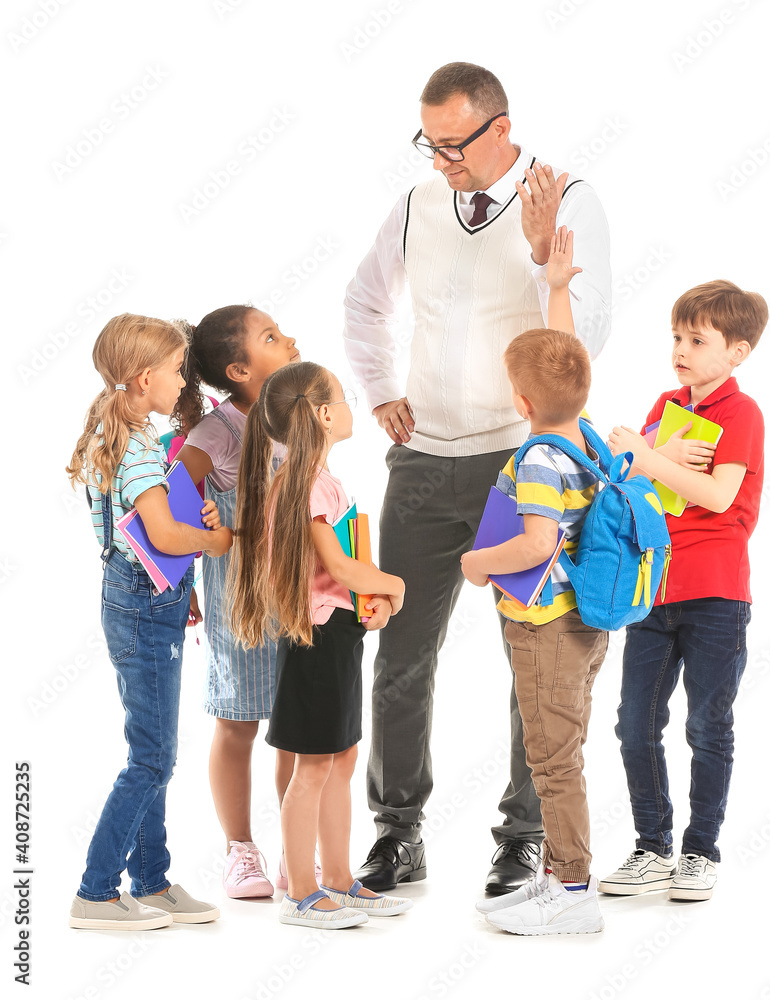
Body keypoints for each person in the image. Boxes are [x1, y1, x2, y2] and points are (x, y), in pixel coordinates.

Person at [344, 61, 611, 895]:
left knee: (532, 661)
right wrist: (382, 390)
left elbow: (583, 346)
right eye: (430, 141)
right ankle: (396, 832)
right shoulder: (417, 204)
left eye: (454, 144)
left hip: (518, 467)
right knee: (399, 655)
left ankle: (522, 835)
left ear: (500, 127)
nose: (439, 160)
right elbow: (364, 303)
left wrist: (542, 262)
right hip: (423, 464)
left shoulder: (566, 201)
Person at [600, 280, 767, 901]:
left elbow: (719, 494)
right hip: (653, 588)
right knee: (633, 722)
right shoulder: (667, 403)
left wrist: (648, 456)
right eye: (677, 336)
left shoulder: (741, 413)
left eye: (698, 340)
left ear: (737, 352)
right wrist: (649, 455)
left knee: (706, 724)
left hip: (716, 596)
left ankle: (699, 851)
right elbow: (622, 478)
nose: (682, 349)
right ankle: (652, 845)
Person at [228, 362, 411, 928]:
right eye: (346, 398)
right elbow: (336, 565)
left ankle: (337, 878)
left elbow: (337, 569)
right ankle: (302, 891)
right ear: (325, 415)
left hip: (338, 631)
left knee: (341, 757)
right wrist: (393, 584)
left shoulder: (319, 480)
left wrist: (373, 600)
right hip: (314, 638)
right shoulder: (304, 484)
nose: (354, 406)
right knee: (312, 766)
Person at [461, 229, 607, 934]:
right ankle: (557, 872)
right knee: (563, 747)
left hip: (544, 624)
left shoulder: (540, 458)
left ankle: (574, 893)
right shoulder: (585, 438)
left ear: (519, 401)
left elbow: (536, 540)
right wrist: (555, 290)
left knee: (549, 760)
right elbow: (565, 362)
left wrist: (475, 562)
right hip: (582, 622)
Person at [66, 313, 232, 930]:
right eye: (176, 370)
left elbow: (149, 532)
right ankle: (97, 891)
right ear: (142, 379)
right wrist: (212, 543)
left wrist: (181, 563)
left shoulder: (123, 434)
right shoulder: (136, 446)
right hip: (141, 607)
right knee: (152, 758)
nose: (182, 379)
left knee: (154, 749)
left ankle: (152, 880)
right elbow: (162, 532)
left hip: (141, 596)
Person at [172, 305, 302, 899]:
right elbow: (169, 502)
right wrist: (184, 578)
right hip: (240, 607)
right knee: (238, 722)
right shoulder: (215, 433)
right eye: (271, 337)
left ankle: (296, 848)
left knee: (299, 728)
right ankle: (239, 849)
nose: (289, 339)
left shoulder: (298, 416)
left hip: (300, 599)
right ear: (239, 369)